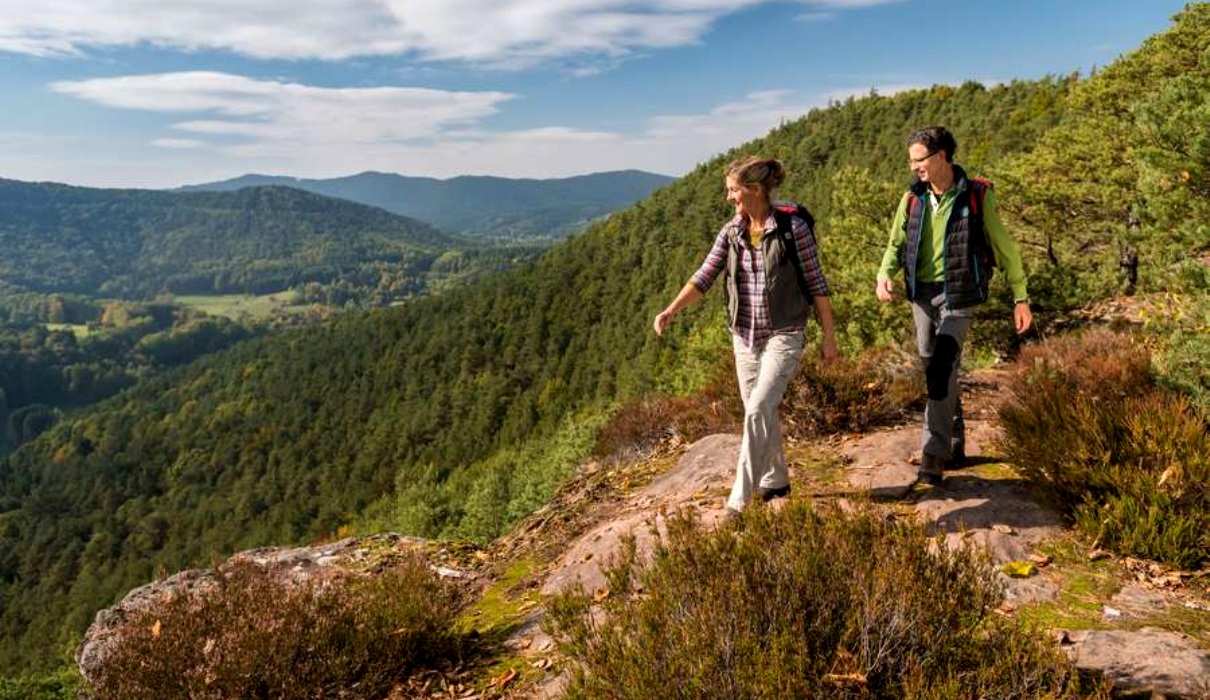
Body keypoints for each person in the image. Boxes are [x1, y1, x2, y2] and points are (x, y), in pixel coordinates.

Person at [654, 156, 839, 515]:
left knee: (756, 409)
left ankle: (739, 501)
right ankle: (776, 480)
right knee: (760, 411)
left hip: (784, 333)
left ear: (754, 190)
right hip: (744, 336)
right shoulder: (732, 231)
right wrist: (671, 309)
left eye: (733, 190)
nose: (729, 198)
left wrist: (829, 338)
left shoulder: (792, 229)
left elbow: (817, 285)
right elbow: (705, 275)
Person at [875, 126, 1032, 485]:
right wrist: (885, 273)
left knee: (941, 364)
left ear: (942, 156)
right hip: (922, 294)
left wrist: (1020, 297)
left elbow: (1005, 247)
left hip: (960, 293)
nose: (914, 167)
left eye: (920, 160)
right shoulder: (911, 199)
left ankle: (933, 454)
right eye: (911, 161)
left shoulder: (976, 195)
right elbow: (895, 244)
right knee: (933, 364)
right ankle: (955, 442)